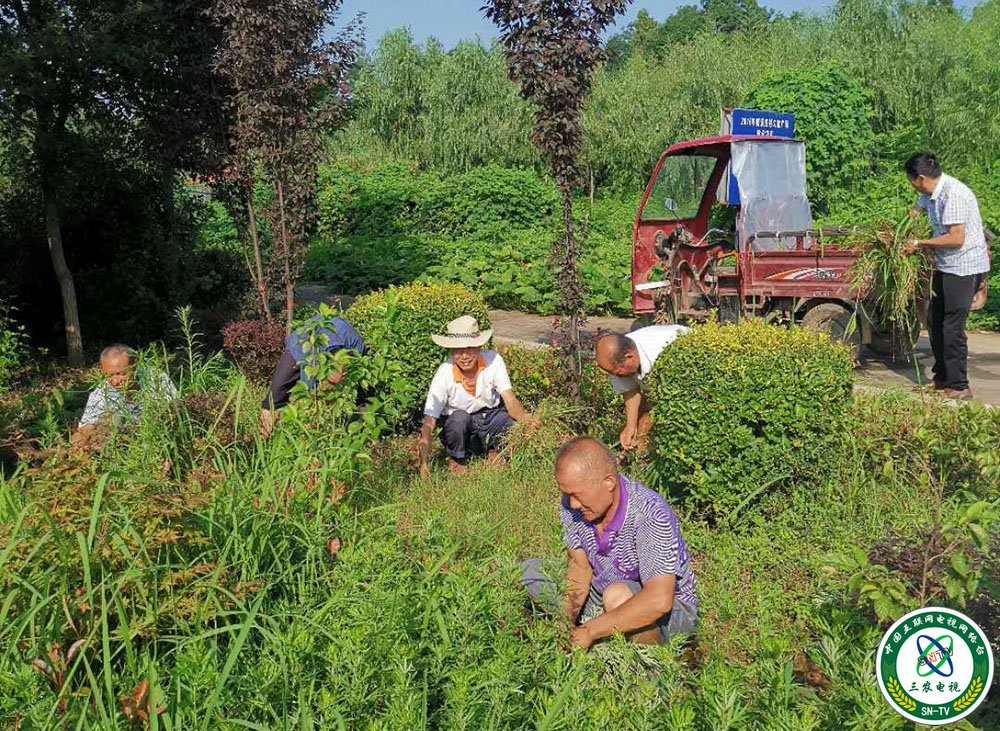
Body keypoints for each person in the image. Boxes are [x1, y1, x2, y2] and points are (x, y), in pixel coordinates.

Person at [522, 436, 697, 649]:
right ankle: (595, 631)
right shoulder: (572, 504)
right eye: (567, 494)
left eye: (577, 495)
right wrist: (564, 621)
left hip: (668, 610)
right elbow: (579, 567)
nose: (573, 504)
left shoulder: (649, 514)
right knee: (529, 572)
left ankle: (650, 664)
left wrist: (590, 630)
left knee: (617, 596)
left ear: (609, 482)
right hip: (601, 592)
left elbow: (659, 600)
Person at [903, 153, 991, 400]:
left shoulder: (954, 194)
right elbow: (914, 213)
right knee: (934, 319)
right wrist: (899, 232)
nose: (911, 185)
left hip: (964, 266)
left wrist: (919, 243)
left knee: (952, 327)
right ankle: (942, 378)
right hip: (945, 265)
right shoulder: (930, 192)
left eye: (911, 180)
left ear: (920, 178)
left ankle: (960, 385)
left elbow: (956, 238)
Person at [418, 315, 535, 477]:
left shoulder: (494, 360)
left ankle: (495, 450)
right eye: (458, 350)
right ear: (451, 351)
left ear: (479, 347)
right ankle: (458, 458)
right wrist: (424, 463)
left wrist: (527, 420)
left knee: (506, 420)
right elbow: (429, 421)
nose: (464, 356)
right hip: (462, 428)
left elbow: (510, 400)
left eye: (470, 348)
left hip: (489, 418)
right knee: (459, 419)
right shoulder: (444, 373)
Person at [260, 313, 367, 436]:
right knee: (276, 393)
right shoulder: (312, 356)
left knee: (364, 396)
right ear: (325, 368)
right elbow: (309, 396)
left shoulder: (358, 349)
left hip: (339, 336)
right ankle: (262, 438)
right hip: (301, 343)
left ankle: (370, 437)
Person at [594, 325, 690, 450]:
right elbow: (629, 390)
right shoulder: (617, 357)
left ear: (629, 357)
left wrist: (643, 432)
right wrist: (630, 427)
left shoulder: (659, 355)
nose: (616, 376)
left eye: (618, 373)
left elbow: (661, 400)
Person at [75, 344, 177, 439]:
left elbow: (174, 410)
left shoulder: (155, 378)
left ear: (135, 364)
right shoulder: (102, 392)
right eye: (109, 376)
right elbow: (85, 427)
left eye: (121, 374)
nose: (116, 381)